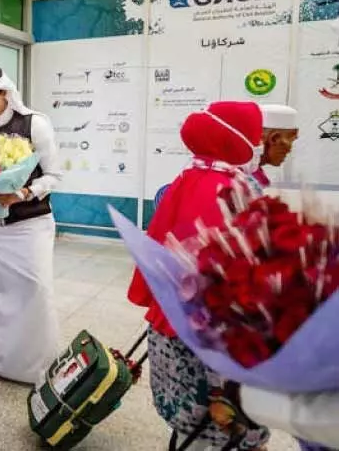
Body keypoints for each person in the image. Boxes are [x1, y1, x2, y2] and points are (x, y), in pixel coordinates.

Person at [128, 101, 270, 451]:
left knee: (190, 426)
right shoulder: (234, 191)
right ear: (238, 140)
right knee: (218, 429)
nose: (261, 145)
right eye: (257, 136)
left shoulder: (188, 179)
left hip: (170, 331)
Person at [0, 64, 62, 384]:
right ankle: (3, 362)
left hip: (30, 223)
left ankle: (41, 367)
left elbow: (54, 176)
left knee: (35, 290)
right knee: (1, 293)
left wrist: (22, 192)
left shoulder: (36, 124)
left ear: (6, 92)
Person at [250, 104, 299, 189]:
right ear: (274, 138)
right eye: (291, 140)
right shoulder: (242, 177)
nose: (289, 150)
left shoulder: (255, 174)